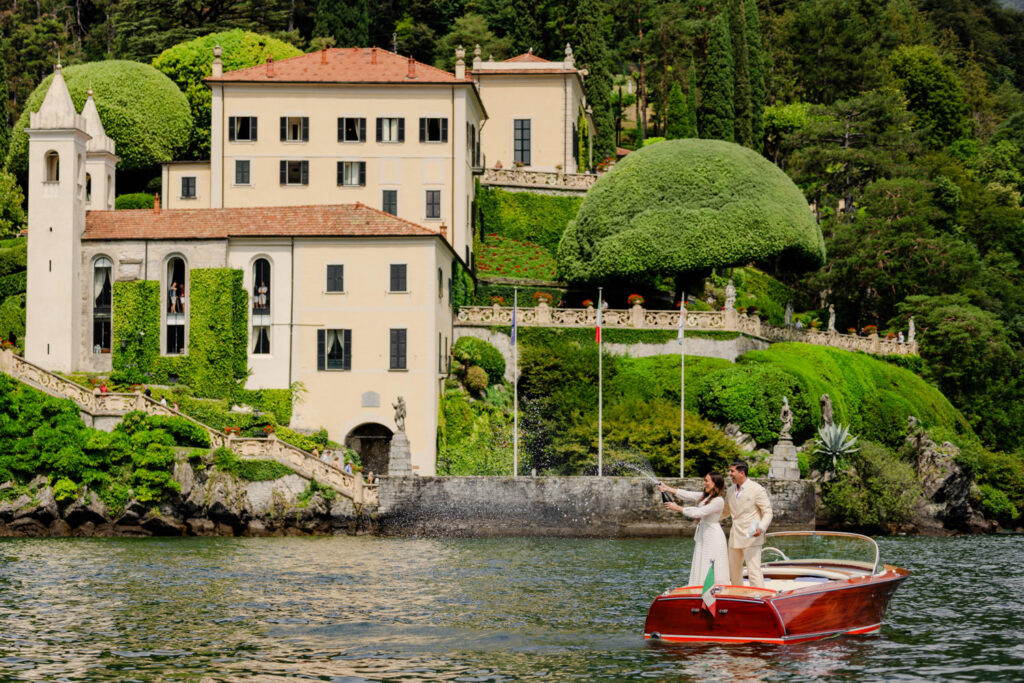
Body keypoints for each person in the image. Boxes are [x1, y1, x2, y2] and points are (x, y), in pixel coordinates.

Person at [659, 473, 730, 586]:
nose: (704, 483)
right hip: (704, 533)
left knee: (710, 560)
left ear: (715, 483)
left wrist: (678, 508)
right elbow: (688, 495)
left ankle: (714, 588)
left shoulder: (718, 501)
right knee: (702, 559)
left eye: (706, 481)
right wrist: (667, 488)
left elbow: (699, 512)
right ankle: (701, 586)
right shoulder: (706, 496)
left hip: (713, 535)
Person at [722, 460, 774, 588]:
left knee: (754, 571)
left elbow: (768, 512)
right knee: (733, 572)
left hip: (752, 537)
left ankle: (759, 598)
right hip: (735, 536)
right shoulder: (730, 491)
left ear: (742, 473)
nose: (729, 474)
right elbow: (725, 512)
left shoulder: (757, 489)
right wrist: (707, 518)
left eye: (732, 471)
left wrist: (761, 528)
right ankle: (737, 597)